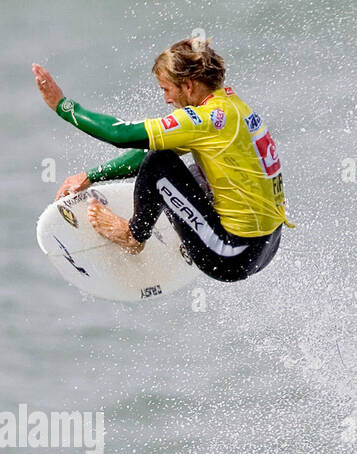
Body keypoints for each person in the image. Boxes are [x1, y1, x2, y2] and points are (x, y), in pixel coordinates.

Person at [32, 37, 293, 282]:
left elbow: (120, 134)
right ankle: (187, 226)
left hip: (230, 255)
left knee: (160, 163)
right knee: (189, 169)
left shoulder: (203, 120)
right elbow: (146, 154)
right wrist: (92, 176)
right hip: (267, 246)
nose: (166, 99)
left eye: (166, 89)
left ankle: (132, 236)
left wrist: (63, 107)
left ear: (188, 85)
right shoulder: (233, 108)